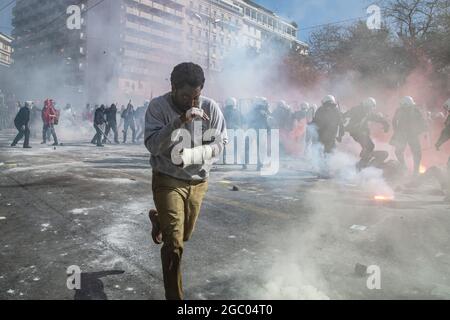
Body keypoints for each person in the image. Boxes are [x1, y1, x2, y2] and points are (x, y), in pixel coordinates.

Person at [145, 62, 227, 300]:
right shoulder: (158, 107)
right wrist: (180, 120)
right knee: (174, 245)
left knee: (185, 235)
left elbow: (220, 144)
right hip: (167, 179)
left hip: (198, 181)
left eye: (196, 96)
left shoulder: (210, 107)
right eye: (185, 96)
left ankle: (160, 219)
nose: (192, 102)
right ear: (172, 87)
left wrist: (192, 155)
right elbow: (152, 145)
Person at [343, 97, 390, 169]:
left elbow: (375, 117)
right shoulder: (357, 110)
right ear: (367, 105)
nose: (371, 109)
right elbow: (347, 114)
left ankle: (364, 160)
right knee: (369, 146)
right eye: (370, 107)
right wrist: (342, 118)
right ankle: (362, 162)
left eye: (371, 108)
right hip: (356, 133)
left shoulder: (367, 112)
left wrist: (385, 123)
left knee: (369, 147)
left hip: (361, 133)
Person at [390, 96, 427, 176]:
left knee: (416, 153)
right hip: (405, 134)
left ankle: (415, 171)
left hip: (411, 134)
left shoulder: (414, 110)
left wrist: (422, 130)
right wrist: (397, 131)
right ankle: (405, 167)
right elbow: (394, 121)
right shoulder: (400, 111)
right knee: (399, 151)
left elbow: (422, 121)